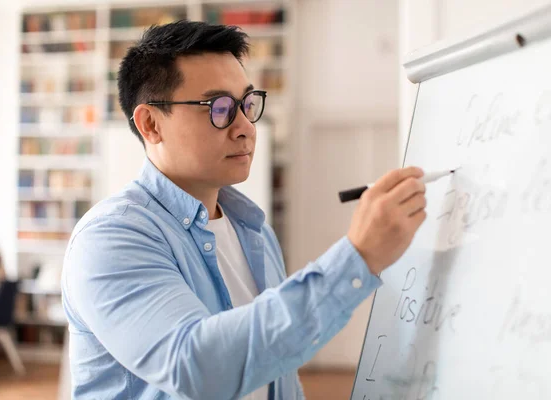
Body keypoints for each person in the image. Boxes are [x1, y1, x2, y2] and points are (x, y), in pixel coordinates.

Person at [61, 21, 427, 400]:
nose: (245, 128)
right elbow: (197, 367)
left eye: (247, 104)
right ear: (151, 124)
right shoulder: (110, 238)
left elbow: (277, 371)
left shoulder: (253, 230)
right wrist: (358, 257)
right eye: (219, 108)